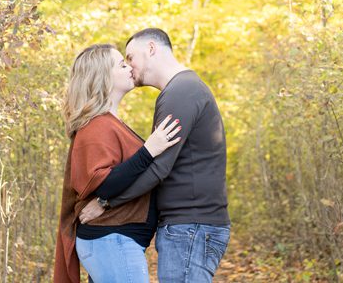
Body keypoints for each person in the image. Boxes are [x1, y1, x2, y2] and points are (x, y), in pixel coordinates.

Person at [79, 28, 230, 282]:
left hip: (190, 227)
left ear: (150, 49)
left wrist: (105, 203)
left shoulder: (180, 92)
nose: (129, 66)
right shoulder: (182, 90)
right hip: (190, 227)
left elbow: (158, 169)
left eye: (130, 57)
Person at [54, 43, 182, 283]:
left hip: (114, 242)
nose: (130, 67)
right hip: (110, 240)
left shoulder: (109, 122)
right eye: (122, 64)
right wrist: (148, 151)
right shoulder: (95, 125)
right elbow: (102, 183)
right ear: (103, 77)